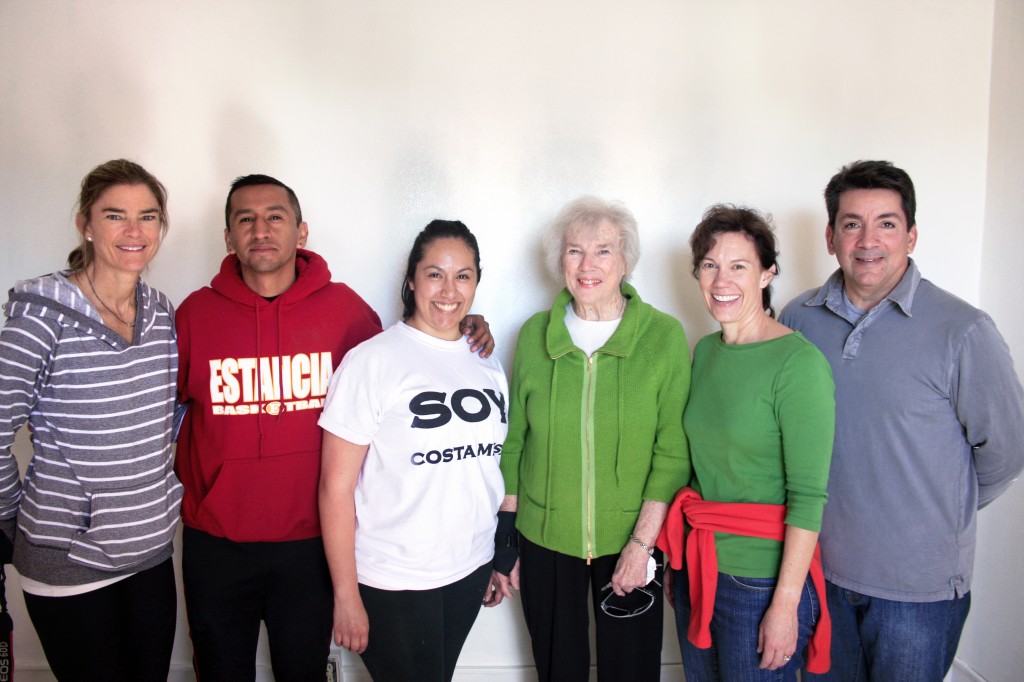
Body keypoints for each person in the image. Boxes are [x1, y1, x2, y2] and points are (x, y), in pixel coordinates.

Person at [174, 175, 494, 681]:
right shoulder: (194, 315)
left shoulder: (345, 312)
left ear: (301, 232)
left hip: (310, 543)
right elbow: (162, 418)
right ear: (228, 237)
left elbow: (414, 354)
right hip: (216, 541)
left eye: (275, 217)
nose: (261, 230)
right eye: (246, 219)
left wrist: (470, 329)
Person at [779, 160, 1024, 681]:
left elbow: (1007, 450)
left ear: (911, 235)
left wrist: (935, 505)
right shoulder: (797, 320)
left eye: (887, 223)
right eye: (852, 224)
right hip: (817, 574)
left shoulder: (964, 331)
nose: (868, 240)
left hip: (918, 592)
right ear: (830, 237)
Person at [494, 196, 691, 682]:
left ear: (625, 260)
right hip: (544, 538)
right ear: (559, 261)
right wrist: (507, 542)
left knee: (631, 671)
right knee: (558, 670)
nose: (588, 266)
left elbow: (671, 453)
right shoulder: (535, 334)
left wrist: (642, 545)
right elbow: (515, 440)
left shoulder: (662, 337)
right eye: (574, 251)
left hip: (630, 540)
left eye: (603, 251)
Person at [0, 159, 182, 681]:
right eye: (115, 215)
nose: (133, 231)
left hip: (149, 553)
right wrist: (16, 519)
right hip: (68, 562)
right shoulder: (40, 317)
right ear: (85, 223)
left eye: (148, 216)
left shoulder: (162, 312)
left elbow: (162, 422)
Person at [318, 220, 507, 682]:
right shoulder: (372, 362)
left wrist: (497, 555)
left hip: (469, 567)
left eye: (463, 275)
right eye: (434, 274)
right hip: (395, 578)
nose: (449, 290)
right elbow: (334, 489)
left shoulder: (486, 360)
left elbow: (487, 466)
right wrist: (346, 596)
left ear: (477, 281)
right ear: (411, 279)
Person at [660, 205, 835, 681]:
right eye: (710, 265)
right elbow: (701, 465)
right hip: (702, 565)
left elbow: (808, 497)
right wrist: (682, 562)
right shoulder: (705, 353)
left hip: (761, 582)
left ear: (766, 274)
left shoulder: (798, 365)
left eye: (739, 266)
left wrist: (785, 604)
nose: (722, 280)